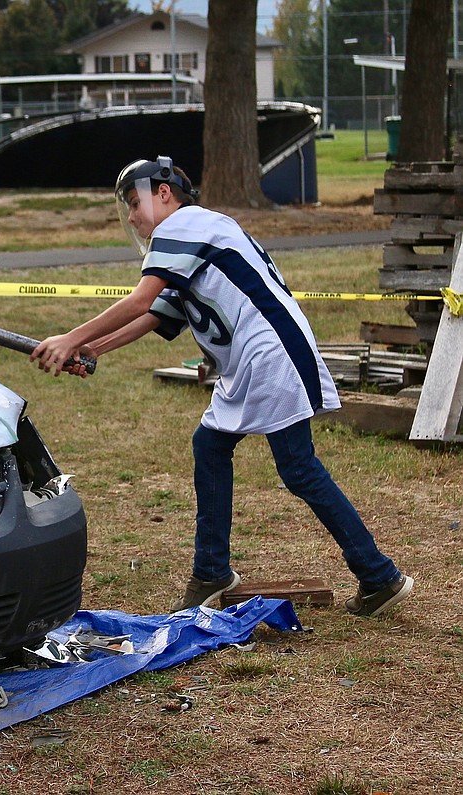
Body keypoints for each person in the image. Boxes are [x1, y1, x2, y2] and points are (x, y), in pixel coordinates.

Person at [31, 156, 413, 616]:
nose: (132, 216)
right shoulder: (191, 240)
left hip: (272, 353)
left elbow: (139, 300)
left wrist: (71, 337)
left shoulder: (186, 224)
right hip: (252, 360)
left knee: (298, 469)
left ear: (165, 193)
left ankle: (379, 576)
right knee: (210, 447)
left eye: (136, 202)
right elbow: (156, 315)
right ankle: (212, 570)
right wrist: (92, 350)